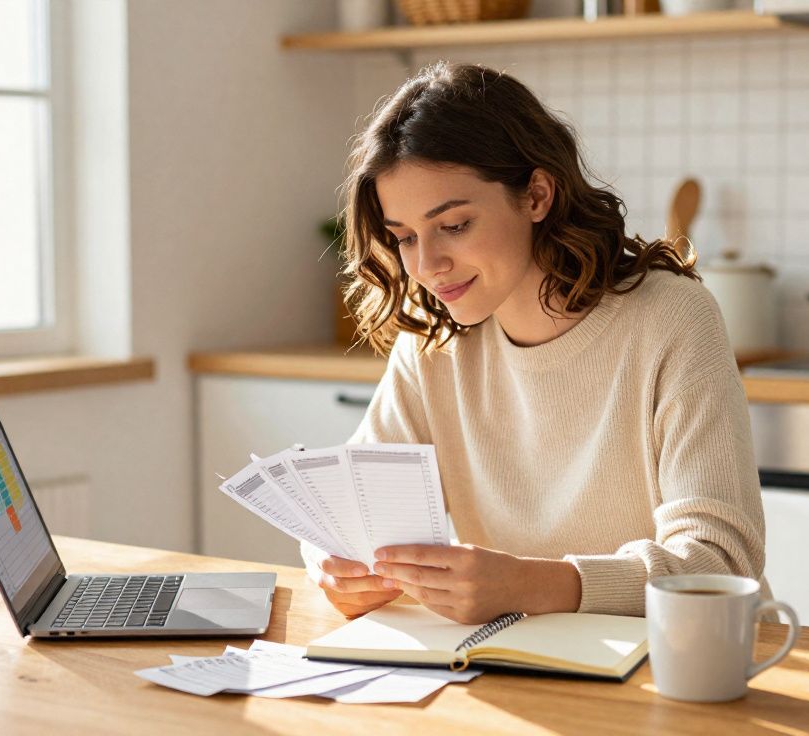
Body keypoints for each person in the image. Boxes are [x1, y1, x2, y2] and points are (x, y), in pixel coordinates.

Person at [302, 61, 766, 625]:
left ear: (537, 195)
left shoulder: (670, 318)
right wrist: (334, 565)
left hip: (686, 657)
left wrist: (530, 585)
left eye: (454, 225)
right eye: (404, 237)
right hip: (518, 659)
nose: (426, 265)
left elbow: (720, 565)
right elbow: (350, 513)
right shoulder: (434, 340)